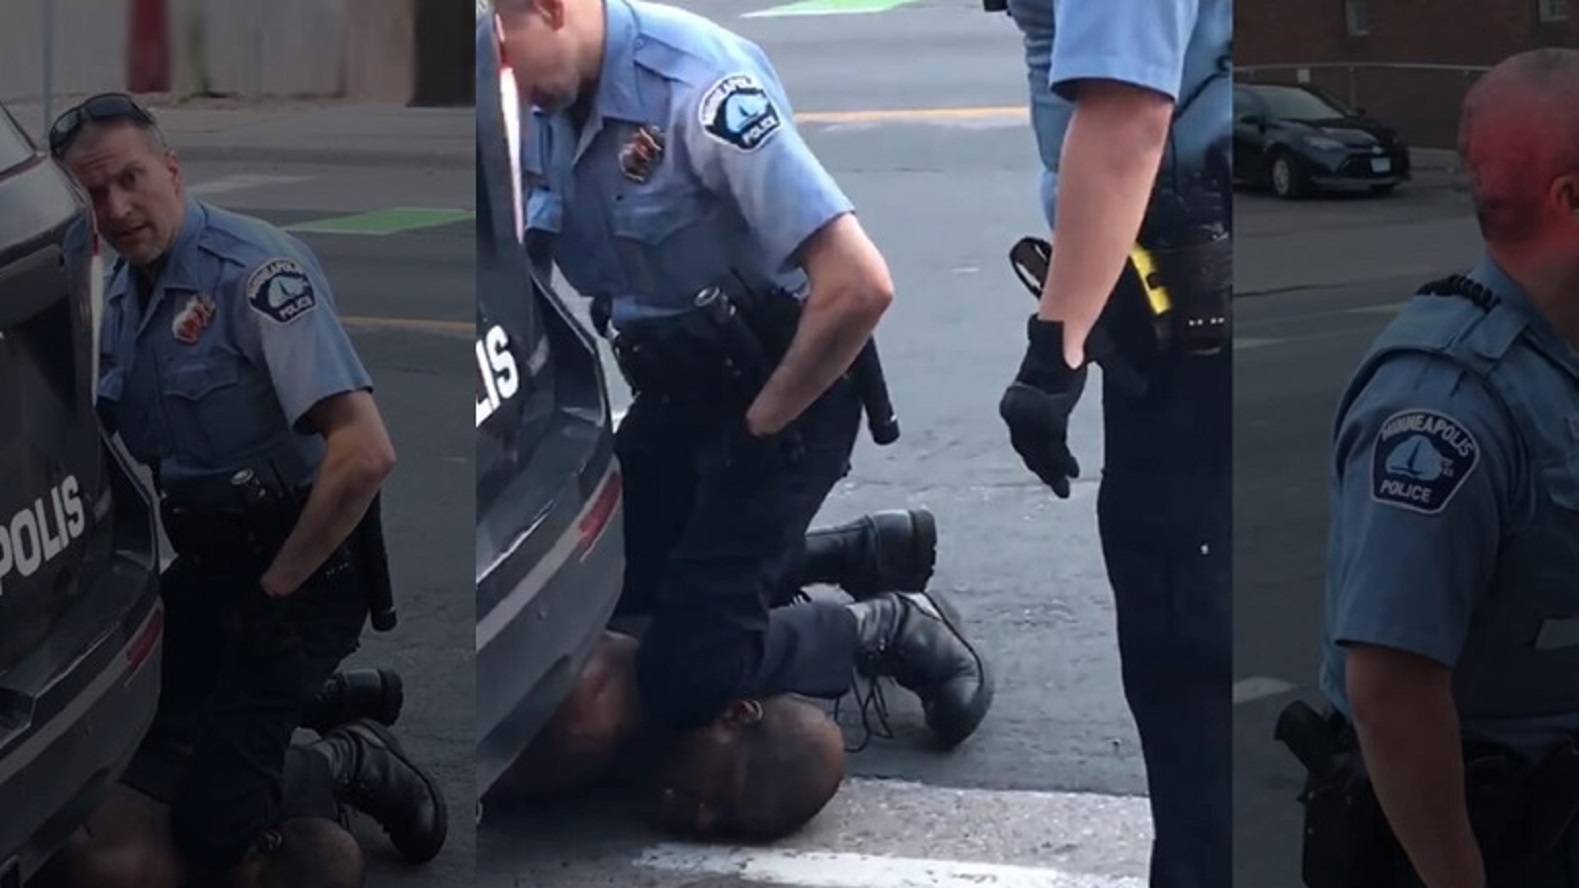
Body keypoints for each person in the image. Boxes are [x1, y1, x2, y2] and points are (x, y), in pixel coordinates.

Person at [490, 0, 994, 751]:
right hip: (675, 392)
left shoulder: (698, 86)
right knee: (599, 596)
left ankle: (889, 626)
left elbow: (859, 285)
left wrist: (762, 426)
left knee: (684, 677)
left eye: (504, 52)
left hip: (784, 395)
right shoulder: (538, 102)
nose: (504, 82)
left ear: (548, 8)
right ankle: (842, 553)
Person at [48, 93, 446, 879]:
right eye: (93, 193)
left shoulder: (255, 273)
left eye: (130, 179)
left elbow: (365, 452)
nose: (117, 208)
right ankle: (317, 698)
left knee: (215, 821)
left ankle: (347, 759)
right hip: (212, 569)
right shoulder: (123, 297)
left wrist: (276, 591)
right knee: (132, 731)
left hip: (303, 578)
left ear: (171, 169)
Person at [1279, 48, 1579, 888]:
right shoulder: (1443, 407)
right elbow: (1392, 689)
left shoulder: (1555, 356)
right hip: (1490, 838)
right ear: (1569, 198)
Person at [990, 2, 1233, 887]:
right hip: (1174, 282)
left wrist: (1052, 353)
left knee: (1187, 642)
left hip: (1183, 298)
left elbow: (1128, 116)